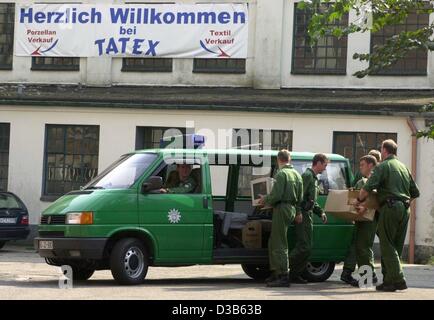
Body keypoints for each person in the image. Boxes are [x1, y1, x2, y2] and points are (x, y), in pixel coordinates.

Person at [354, 139, 420, 292]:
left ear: (384, 151)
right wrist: (404, 202)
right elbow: (415, 192)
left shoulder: (383, 166)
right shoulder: (404, 167)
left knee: (387, 244)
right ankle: (389, 282)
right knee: (395, 246)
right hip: (405, 208)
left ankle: (399, 279)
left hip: (390, 207)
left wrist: (358, 200)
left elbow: (367, 188)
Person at [258, 149, 303, 287]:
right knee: (275, 240)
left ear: (279, 160)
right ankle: (276, 272)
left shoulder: (281, 174)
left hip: (281, 208)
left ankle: (283, 275)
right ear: (289, 159)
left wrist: (264, 200)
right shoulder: (296, 174)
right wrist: (298, 212)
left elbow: (276, 195)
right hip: (291, 209)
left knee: (279, 243)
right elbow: (300, 197)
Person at [288, 153, 328, 284]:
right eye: (325, 165)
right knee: (304, 246)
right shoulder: (307, 176)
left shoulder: (314, 178)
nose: (325, 168)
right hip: (303, 215)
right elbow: (299, 196)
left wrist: (320, 212)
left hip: (308, 215)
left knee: (307, 247)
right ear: (318, 163)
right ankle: (284, 266)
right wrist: (298, 212)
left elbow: (311, 200)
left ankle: (294, 275)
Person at [341, 155, 379, 287]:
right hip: (362, 218)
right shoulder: (364, 180)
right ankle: (368, 277)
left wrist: (365, 206)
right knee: (361, 248)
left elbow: (377, 197)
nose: (360, 168)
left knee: (364, 249)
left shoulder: (374, 179)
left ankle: (368, 278)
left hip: (369, 219)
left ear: (370, 165)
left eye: (362, 165)